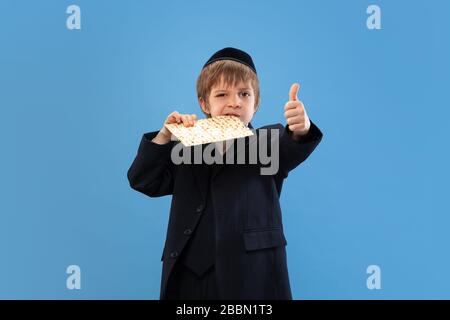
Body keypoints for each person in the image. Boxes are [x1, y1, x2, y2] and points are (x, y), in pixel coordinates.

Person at [127, 47, 323, 299]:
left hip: (251, 275)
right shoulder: (184, 144)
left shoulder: (268, 142)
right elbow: (143, 181)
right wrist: (164, 136)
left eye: (244, 94)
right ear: (204, 103)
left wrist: (301, 128)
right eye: (222, 94)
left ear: (256, 103)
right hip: (190, 276)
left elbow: (293, 143)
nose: (235, 102)